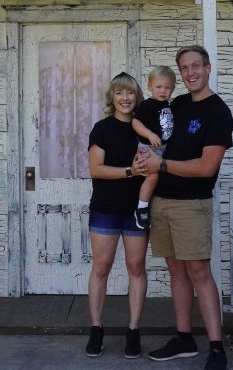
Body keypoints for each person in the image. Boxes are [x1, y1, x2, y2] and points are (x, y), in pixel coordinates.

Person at [135, 45, 233, 370]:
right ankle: (184, 338)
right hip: (162, 200)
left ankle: (217, 348)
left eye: (195, 66)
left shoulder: (218, 111)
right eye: (184, 68)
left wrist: (161, 165)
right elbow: (155, 138)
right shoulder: (175, 104)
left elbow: (207, 167)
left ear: (208, 68)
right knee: (176, 271)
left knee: (199, 272)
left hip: (192, 205)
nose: (190, 72)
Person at [84, 72, 153, 359]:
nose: (125, 98)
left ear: (137, 97)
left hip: (136, 210)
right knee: (101, 268)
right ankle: (96, 328)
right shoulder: (102, 128)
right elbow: (96, 169)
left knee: (136, 268)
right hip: (105, 208)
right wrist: (130, 171)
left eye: (130, 93)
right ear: (112, 98)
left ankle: (133, 330)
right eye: (119, 93)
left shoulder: (145, 129)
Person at [129, 65, 174, 229]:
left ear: (173, 89)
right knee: (153, 177)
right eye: (158, 87)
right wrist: (149, 134)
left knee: (159, 178)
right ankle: (141, 208)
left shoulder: (168, 106)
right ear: (149, 87)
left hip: (161, 149)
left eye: (167, 87)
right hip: (147, 147)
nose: (163, 91)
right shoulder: (148, 105)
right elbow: (135, 122)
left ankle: (149, 205)